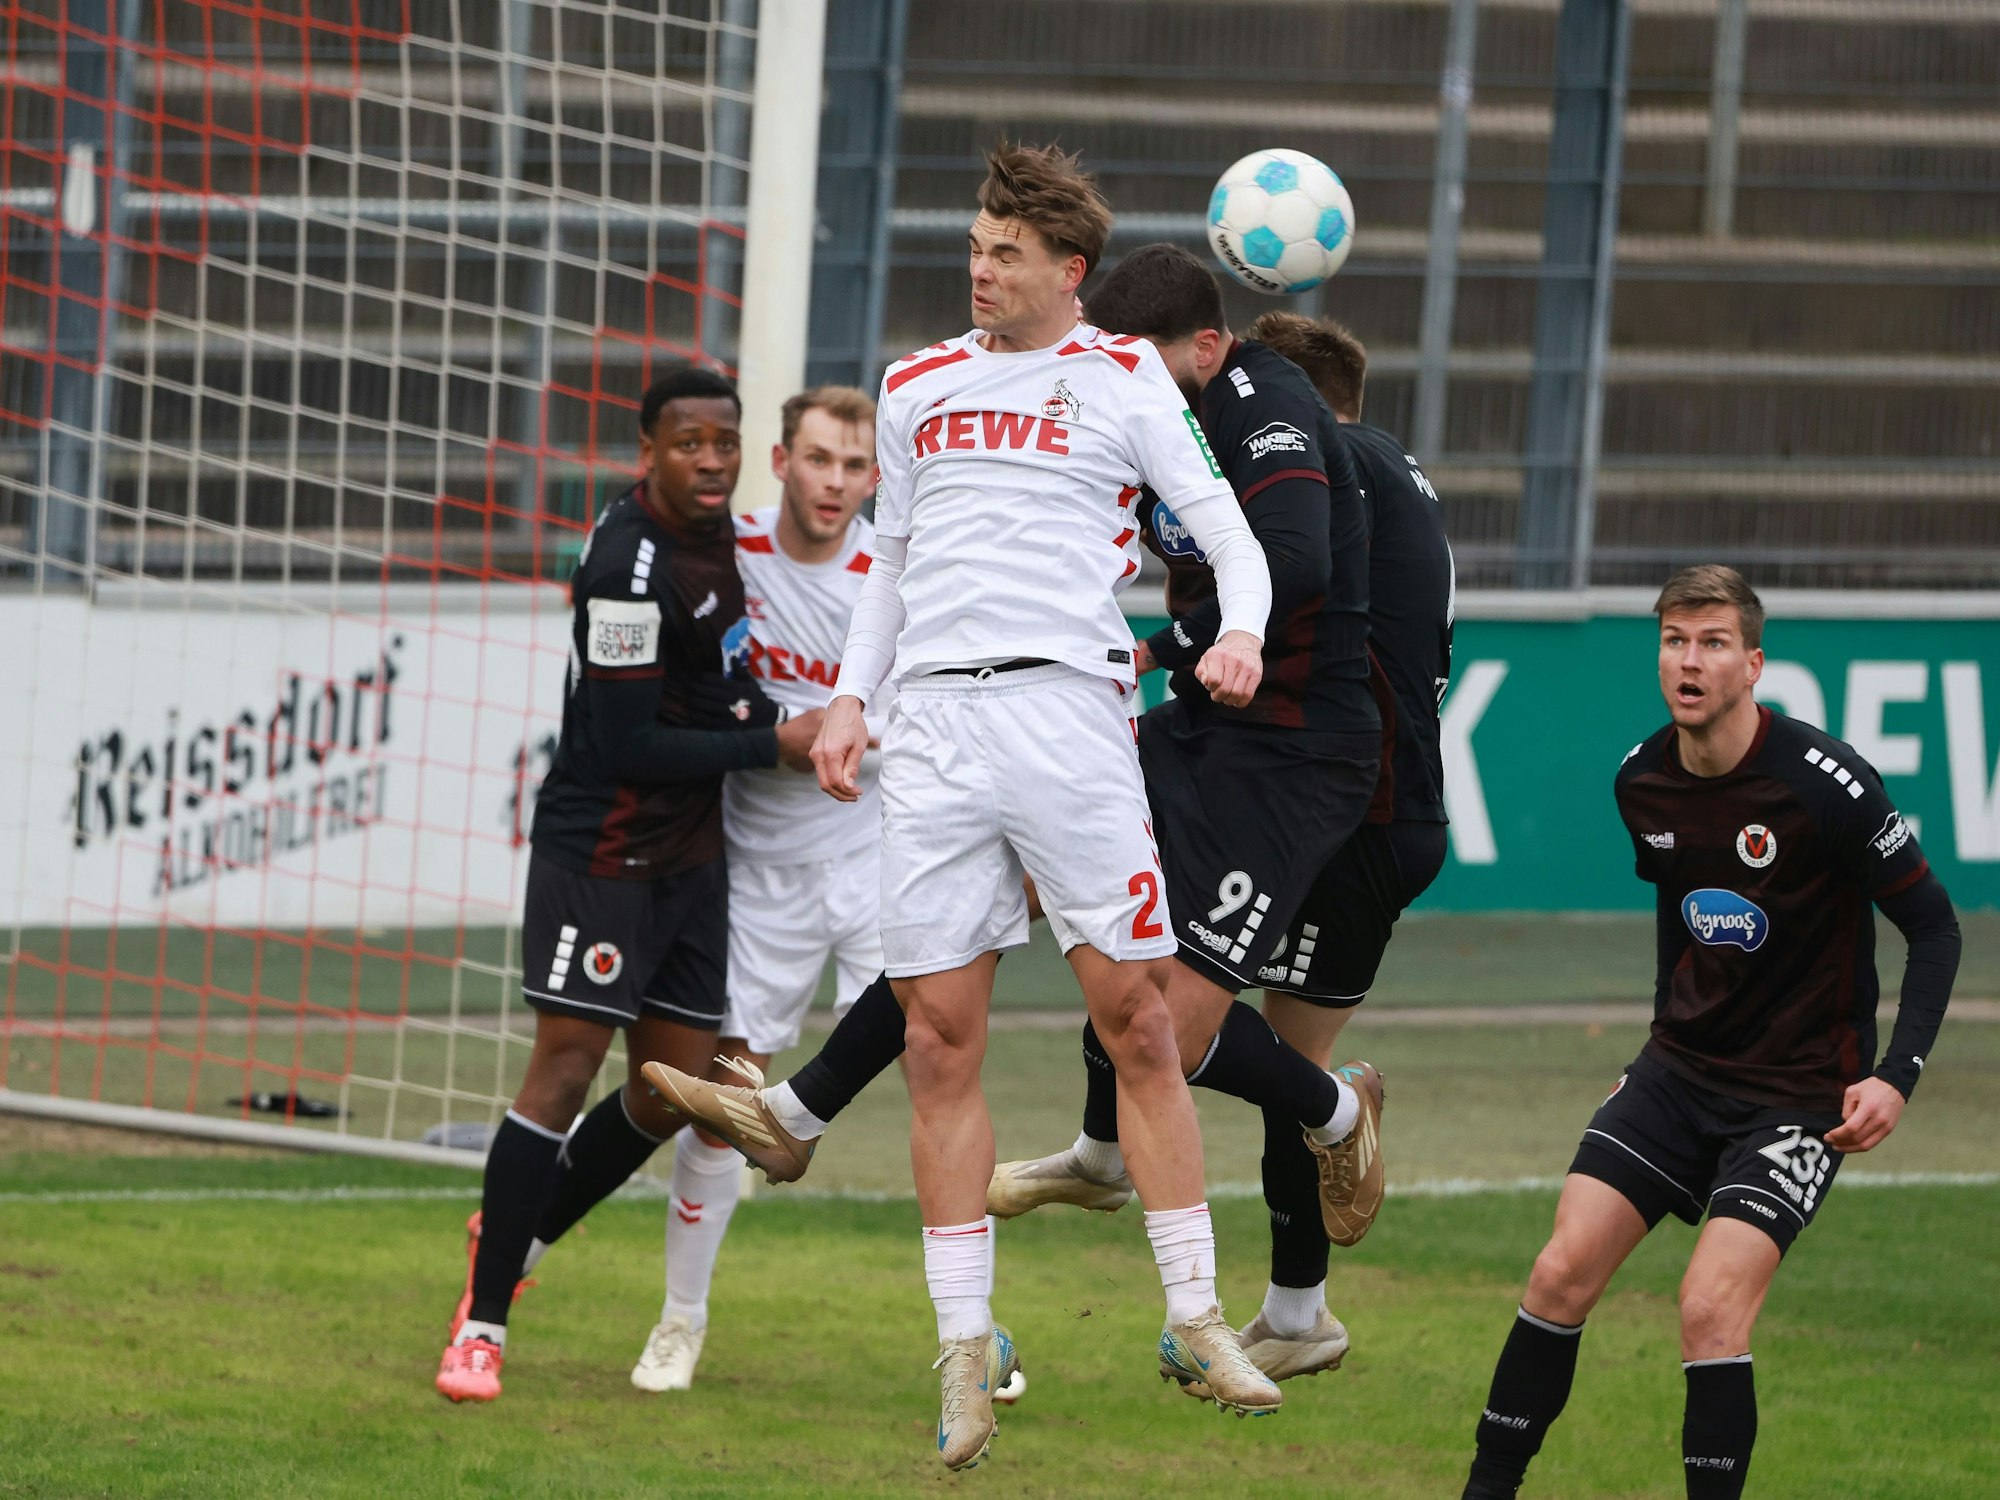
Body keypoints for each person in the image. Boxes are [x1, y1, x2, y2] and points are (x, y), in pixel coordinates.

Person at [663, 140, 1282, 1469]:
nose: (980, 269)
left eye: (1005, 251)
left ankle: (1198, 1315)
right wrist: (847, 700)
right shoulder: (916, 385)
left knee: (1138, 1021)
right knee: (939, 1042)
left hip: (1064, 714)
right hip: (930, 735)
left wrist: (1242, 632)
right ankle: (960, 1351)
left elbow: (1227, 533)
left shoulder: (1121, 376)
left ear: (1070, 271)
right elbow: (891, 565)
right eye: (974, 246)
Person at [1460, 565, 1960, 1500]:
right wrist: (1658, 1044)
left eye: (1712, 643)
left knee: (1709, 1308)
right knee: (1560, 1272)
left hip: (1800, 1096)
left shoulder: (1829, 786)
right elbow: (1681, 926)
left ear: (1753, 664)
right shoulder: (1640, 782)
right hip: (1679, 1076)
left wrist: (1898, 1073)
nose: (1689, 661)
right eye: (1674, 642)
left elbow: (1933, 926)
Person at [434, 366, 823, 1403]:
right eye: (688, 442)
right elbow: (628, 740)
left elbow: (718, 680)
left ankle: (516, 1225)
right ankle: (481, 1326)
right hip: (602, 857)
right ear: (645, 448)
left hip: (693, 862)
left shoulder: (718, 542)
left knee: (667, 1092)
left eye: (722, 442)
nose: (709, 460)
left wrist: (764, 713)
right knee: (563, 1072)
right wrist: (771, 741)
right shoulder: (625, 566)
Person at [630, 385, 886, 1394]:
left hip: (874, 864)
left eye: (853, 466)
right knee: (720, 1104)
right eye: (817, 460)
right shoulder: (723, 553)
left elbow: (907, 722)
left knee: (940, 1083)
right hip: (755, 872)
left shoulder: (890, 575)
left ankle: (971, 1336)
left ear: (873, 476)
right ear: (778, 462)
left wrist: (845, 733)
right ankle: (678, 1323)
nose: (834, 482)